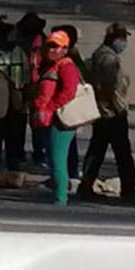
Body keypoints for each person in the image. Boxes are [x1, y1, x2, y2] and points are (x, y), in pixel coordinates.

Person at [77, 23, 135, 203]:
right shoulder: (108, 58)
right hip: (111, 112)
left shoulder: (101, 54)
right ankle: (128, 189)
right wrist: (119, 109)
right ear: (114, 39)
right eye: (122, 38)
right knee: (122, 152)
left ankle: (86, 185)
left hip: (103, 111)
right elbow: (110, 87)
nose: (124, 43)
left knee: (97, 149)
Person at [33, 30, 81, 205]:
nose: (51, 50)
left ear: (65, 49)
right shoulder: (50, 65)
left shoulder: (66, 66)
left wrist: (51, 107)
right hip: (50, 119)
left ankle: (61, 197)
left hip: (61, 121)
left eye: (56, 47)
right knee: (54, 159)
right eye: (50, 46)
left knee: (57, 159)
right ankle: (58, 192)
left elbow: (69, 91)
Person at [0, 22, 29, 173]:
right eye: (11, 36)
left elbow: (26, 75)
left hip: (16, 101)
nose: (14, 39)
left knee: (15, 137)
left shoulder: (19, 52)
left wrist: (26, 99)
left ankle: (13, 166)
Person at [52, 24, 85, 179]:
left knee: (62, 147)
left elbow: (68, 90)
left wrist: (51, 106)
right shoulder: (70, 58)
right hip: (66, 109)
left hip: (64, 109)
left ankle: (62, 179)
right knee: (68, 145)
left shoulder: (67, 62)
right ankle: (67, 174)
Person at [16, 12, 49, 166]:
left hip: (21, 83)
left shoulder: (19, 41)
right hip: (37, 85)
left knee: (19, 119)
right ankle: (39, 153)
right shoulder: (40, 41)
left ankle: (19, 152)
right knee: (38, 122)